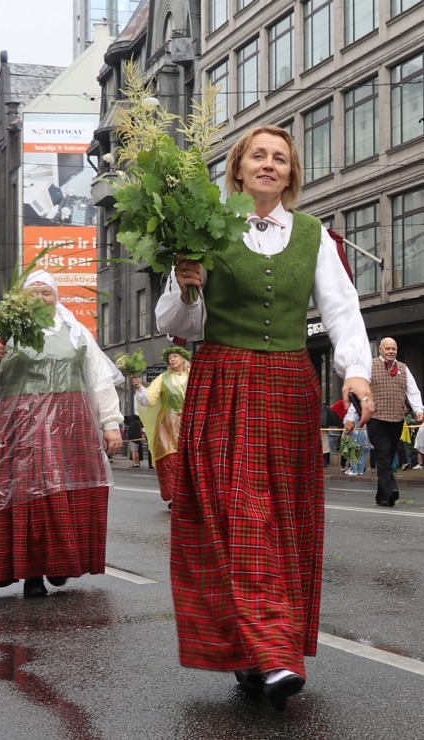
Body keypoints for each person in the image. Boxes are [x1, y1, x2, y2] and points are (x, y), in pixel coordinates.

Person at [154, 125, 374, 710]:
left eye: (280, 158)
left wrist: (355, 371)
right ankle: (274, 655)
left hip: (288, 387)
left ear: (291, 173)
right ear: (239, 168)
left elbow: (342, 310)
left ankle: (256, 654)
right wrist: (187, 285)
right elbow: (174, 323)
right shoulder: (207, 231)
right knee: (243, 512)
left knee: (284, 517)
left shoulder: (313, 236)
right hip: (223, 382)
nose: (269, 164)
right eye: (259, 155)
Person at [0, 269, 123, 598]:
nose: (40, 298)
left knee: (66, 493)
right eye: (33, 293)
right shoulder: (3, 331)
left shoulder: (76, 332)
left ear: (56, 298)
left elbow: (99, 380)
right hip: (19, 427)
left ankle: (60, 561)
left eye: (46, 293)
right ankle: (32, 572)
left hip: (71, 425)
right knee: (26, 497)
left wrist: (109, 423)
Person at [364, 338, 423, 506]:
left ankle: (381, 497)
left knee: (387, 458)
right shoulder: (371, 366)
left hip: (396, 419)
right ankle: (391, 490)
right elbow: (363, 389)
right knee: (383, 454)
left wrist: (419, 410)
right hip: (376, 419)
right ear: (380, 350)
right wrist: (354, 416)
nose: (391, 351)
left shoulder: (403, 368)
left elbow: (413, 391)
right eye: (387, 348)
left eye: (394, 348)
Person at [131, 347, 191, 506]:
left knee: (191, 460)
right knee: (170, 459)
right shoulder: (163, 378)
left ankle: (193, 496)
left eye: (175, 356)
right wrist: (139, 386)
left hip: (190, 422)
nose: (172, 359)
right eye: (170, 357)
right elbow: (149, 399)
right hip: (168, 424)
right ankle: (176, 496)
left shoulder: (193, 376)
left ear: (184, 358)